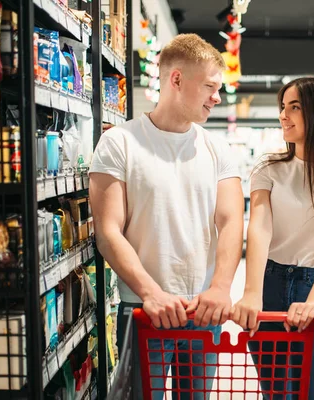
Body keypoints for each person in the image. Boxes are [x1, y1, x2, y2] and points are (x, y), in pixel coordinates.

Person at [89, 34, 244, 399]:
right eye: (209, 86)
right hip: (145, 311)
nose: (216, 97)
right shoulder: (119, 143)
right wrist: (151, 292)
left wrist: (221, 287)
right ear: (176, 79)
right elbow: (108, 231)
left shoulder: (217, 149)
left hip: (202, 314)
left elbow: (232, 220)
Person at [230, 77, 314, 400]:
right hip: (270, 285)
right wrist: (251, 293)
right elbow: (260, 227)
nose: (283, 115)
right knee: (276, 395)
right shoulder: (269, 167)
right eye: (282, 107)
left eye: (294, 107)